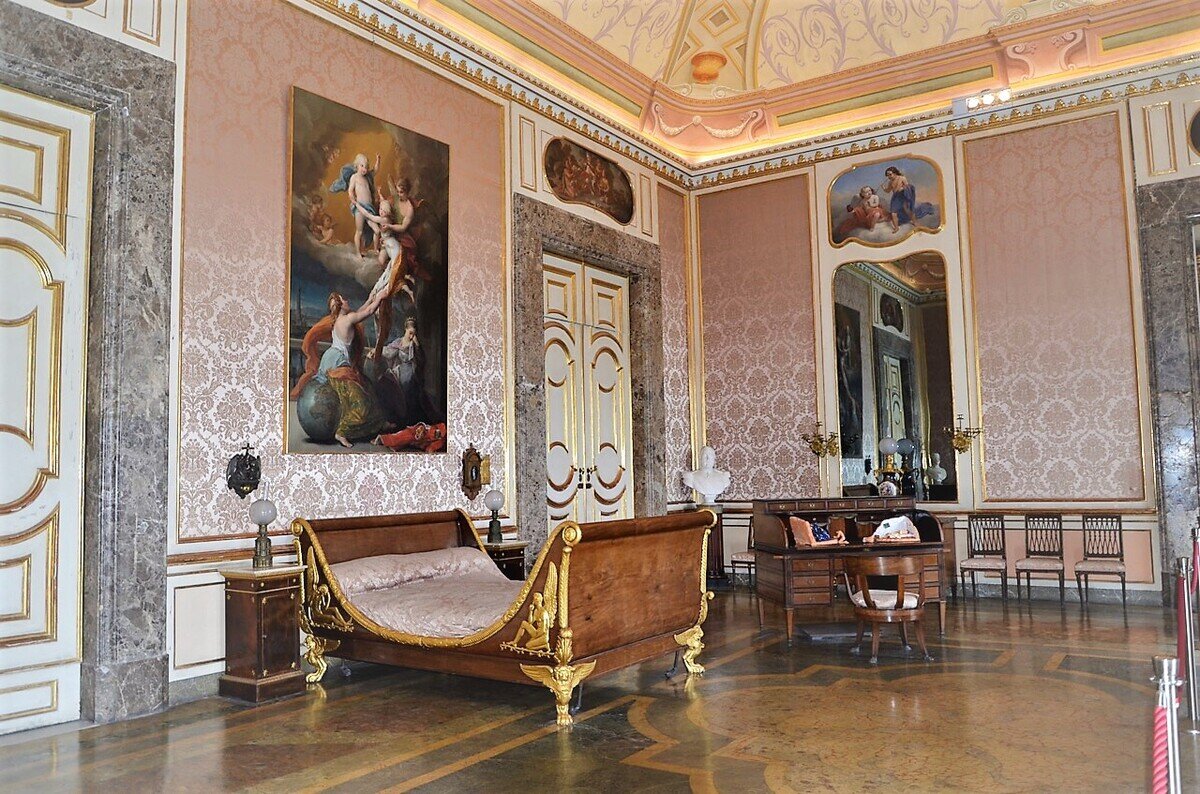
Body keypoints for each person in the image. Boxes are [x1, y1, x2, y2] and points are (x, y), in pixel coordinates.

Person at [315, 291, 392, 447]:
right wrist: (380, 297)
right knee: (360, 402)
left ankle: (380, 424)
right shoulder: (347, 319)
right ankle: (341, 432)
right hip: (338, 364)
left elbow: (359, 313)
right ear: (340, 306)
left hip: (330, 360)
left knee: (368, 388)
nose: (346, 300)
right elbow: (368, 312)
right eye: (343, 300)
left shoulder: (340, 320)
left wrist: (369, 299)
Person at [330, 153, 381, 257]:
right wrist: (353, 200)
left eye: (366, 167)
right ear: (357, 165)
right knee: (360, 231)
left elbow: (375, 170)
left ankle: (376, 249)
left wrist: (378, 160)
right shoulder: (354, 177)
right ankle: (358, 252)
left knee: (377, 230)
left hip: (369, 208)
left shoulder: (367, 177)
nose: (364, 169)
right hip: (359, 208)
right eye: (362, 166)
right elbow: (350, 190)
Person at [880, 166, 934, 231]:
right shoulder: (890, 182)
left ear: (895, 173)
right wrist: (883, 188)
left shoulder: (902, 178)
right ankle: (896, 228)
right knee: (893, 213)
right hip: (896, 197)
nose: (889, 177)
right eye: (887, 175)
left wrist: (902, 188)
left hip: (903, 196)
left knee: (908, 210)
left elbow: (908, 187)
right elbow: (888, 191)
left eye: (890, 174)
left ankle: (915, 222)